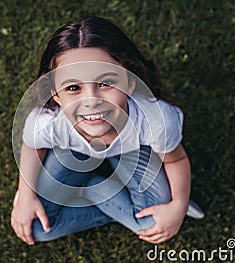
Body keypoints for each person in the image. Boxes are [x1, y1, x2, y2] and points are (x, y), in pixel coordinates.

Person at [11, 16, 204, 246]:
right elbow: (33, 147)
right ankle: (98, 191)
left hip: (133, 150)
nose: (91, 101)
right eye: (73, 88)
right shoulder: (46, 122)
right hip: (70, 152)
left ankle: (87, 190)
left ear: (130, 83)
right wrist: (25, 195)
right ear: (56, 94)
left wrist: (178, 205)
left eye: (105, 83)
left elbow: (176, 159)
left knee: (151, 224)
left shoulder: (157, 120)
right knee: (36, 228)